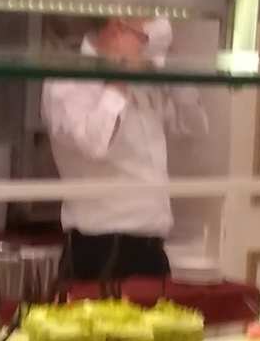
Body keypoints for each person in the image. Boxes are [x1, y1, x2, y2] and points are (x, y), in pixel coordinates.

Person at [43, 16, 204, 283]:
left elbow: (194, 128)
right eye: (144, 34)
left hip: (153, 250)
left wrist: (174, 71)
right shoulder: (68, 78)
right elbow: (95, 143)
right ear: (118, 25)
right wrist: (119, 79)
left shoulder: (144, 76)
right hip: (101, 251)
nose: (157, 25)